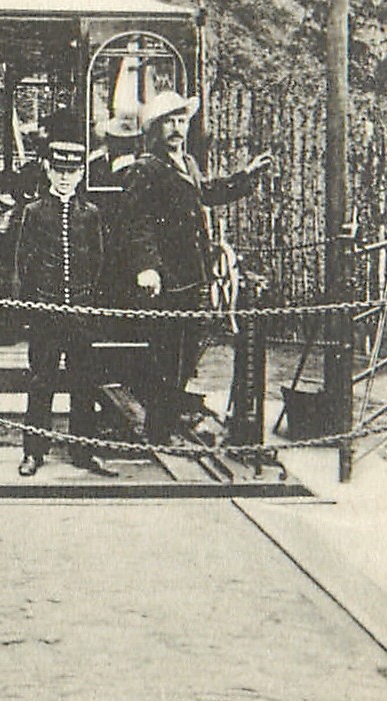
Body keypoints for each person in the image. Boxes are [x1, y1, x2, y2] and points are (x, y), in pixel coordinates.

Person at [117, 90, 273, 442]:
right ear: (155, 128)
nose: (176, 128)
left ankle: (167, 423)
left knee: (185, 355)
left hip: (191, 276)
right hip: (163, 280)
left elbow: (207, 192)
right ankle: (158, 432)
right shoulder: (145, 169)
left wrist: (245, 176)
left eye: (181, 120)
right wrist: (147, 268)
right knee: (165, 356)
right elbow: (135, 225)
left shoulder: (186, 163)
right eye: (169, 122)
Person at [14, 118, 116, 477]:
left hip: (81, 315)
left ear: (81, 173)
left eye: (71, 172)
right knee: (41, 382)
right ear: (47, 169)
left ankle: (83, 451)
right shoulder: (34, 212)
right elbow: (23, 263)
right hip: (46, 312)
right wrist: (30, 307)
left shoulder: (91, 215)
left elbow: (99, 262)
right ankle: (34, 452)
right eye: (58, 170)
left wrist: (90, 305)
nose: (64, 178)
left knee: (84, 383)